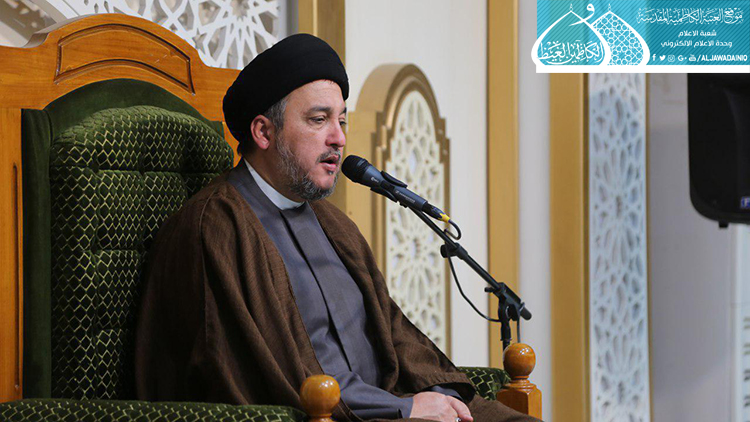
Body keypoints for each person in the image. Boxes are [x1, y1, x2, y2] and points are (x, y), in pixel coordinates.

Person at [135, 33, 539, 422]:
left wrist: (439, 395)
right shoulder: (215, 228)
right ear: (263, 132)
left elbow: (394, 332)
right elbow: (263, 377)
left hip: (386, 405)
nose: (339, 138)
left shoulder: (334, 224)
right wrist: (404, 409)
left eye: (342, 120)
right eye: (319, 119)